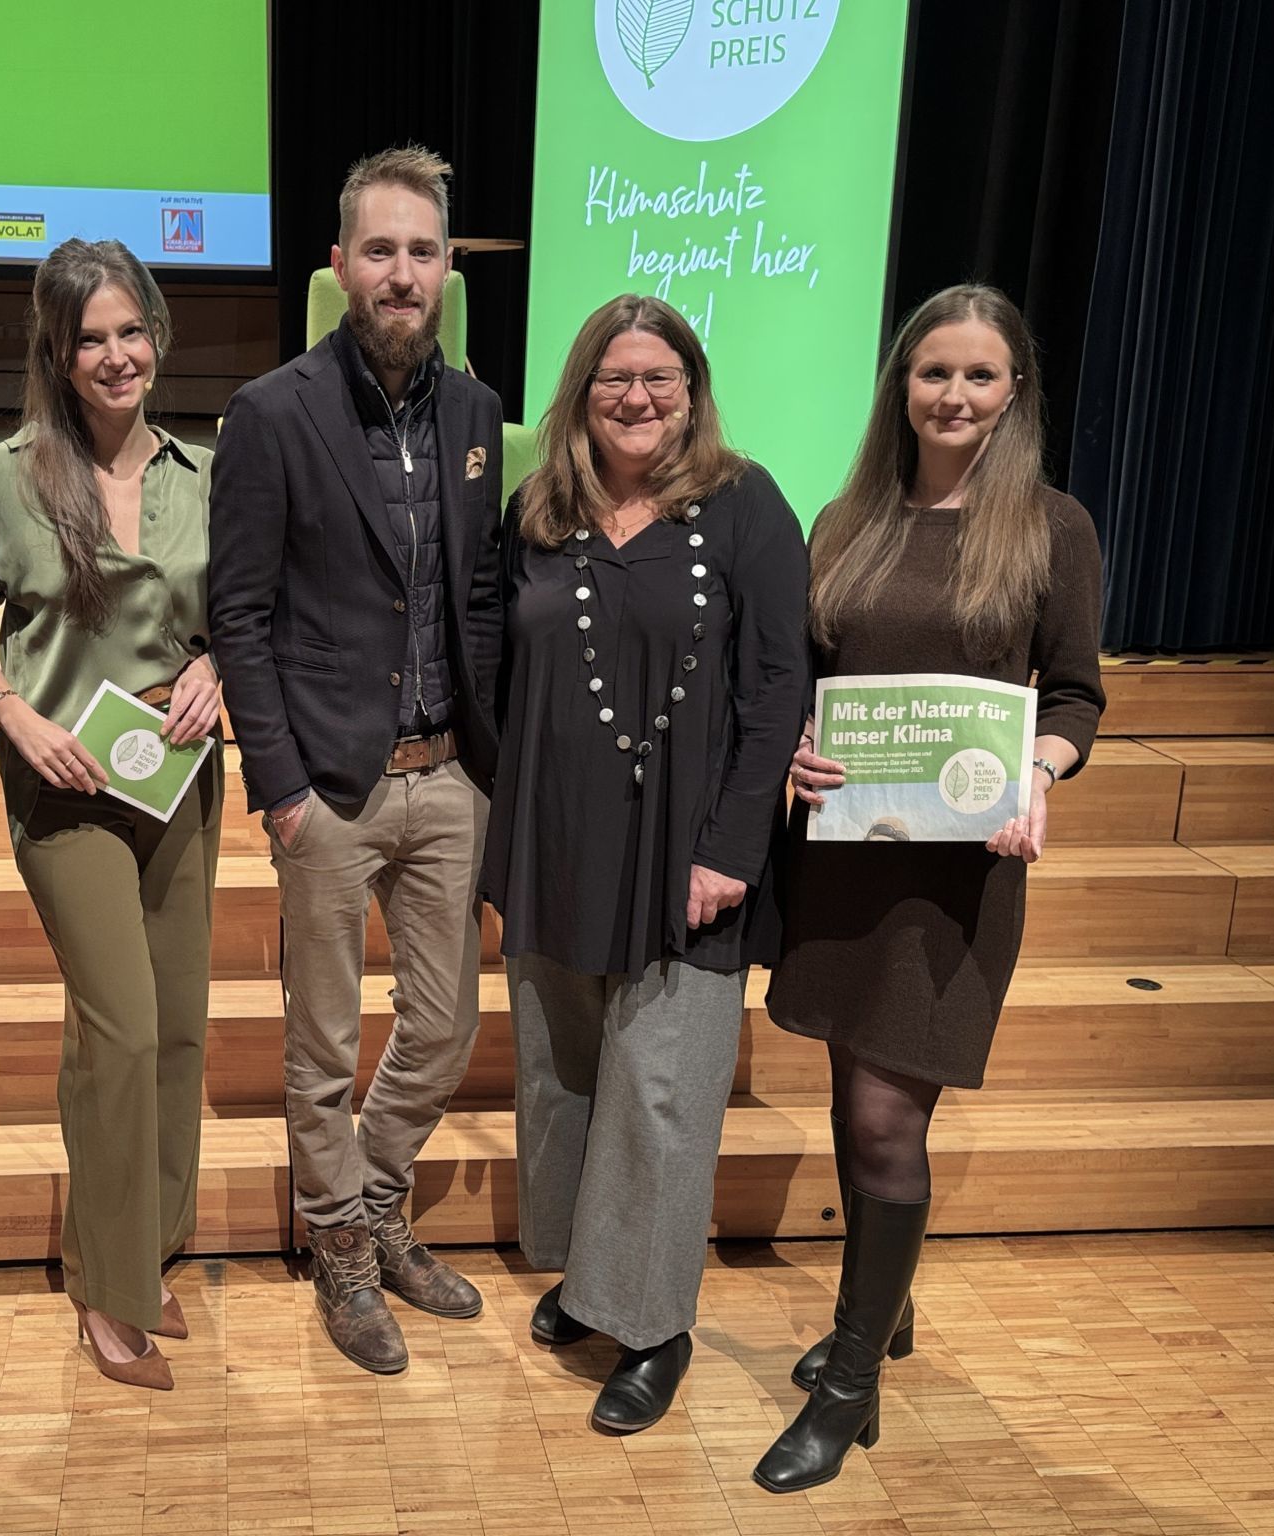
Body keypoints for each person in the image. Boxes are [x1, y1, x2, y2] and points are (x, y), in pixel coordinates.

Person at [753, 284, 1104, 1493]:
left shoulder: (1050, 527)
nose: (952, 396)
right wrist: (798, 745)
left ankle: (850, 1385)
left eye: (978, 377)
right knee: (856, 1092)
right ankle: (879, 1311)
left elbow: (1073, 698)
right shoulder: (844, 517)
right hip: (845, 859)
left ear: (1014, 394)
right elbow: (804, 674)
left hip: (955, 879)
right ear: (898, 385)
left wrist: (1041, 770)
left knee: (883, 1119)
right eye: (931, 373)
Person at [483, 294, 808, 1432]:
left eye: (658, 378)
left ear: (690, 389)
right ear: (580, 392)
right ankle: (586, 1279)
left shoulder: (745, 505)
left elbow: (777, 691)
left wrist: (730, 848)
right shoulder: (535, 511)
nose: (636, 397)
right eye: (615, 378)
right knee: (561, 1076)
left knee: (661, 1095)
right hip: (553, 844)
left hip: (689, 856)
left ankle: (654, 1323)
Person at [209, 146, 504, 1374]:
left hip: (445, 778)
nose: (400, 273)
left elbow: (478, 595)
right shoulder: (271, 413)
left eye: (421, 251)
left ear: (445, 267)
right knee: (322, 1043)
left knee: (442, 1027)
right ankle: (338, 1243)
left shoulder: (481, 416)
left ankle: (371, 1202)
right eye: (376, 250)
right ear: (338, 266)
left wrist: (490, 763)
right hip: (323, 787)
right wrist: (275, 789)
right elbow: (240, 614)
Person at [0, 239, 224, 1392]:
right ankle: (106, 1290)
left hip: (177, 778)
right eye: (89, 338)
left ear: (156, 335)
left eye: (130, 331)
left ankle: (139, 1248)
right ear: (56, 354)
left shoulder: (208, 476)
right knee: (116, 1024)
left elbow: (242, 614)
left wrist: (226, 674)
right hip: (65, 787)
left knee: (181, 1028)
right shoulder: (1, 479)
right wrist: (10, 711)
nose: (115, 356)